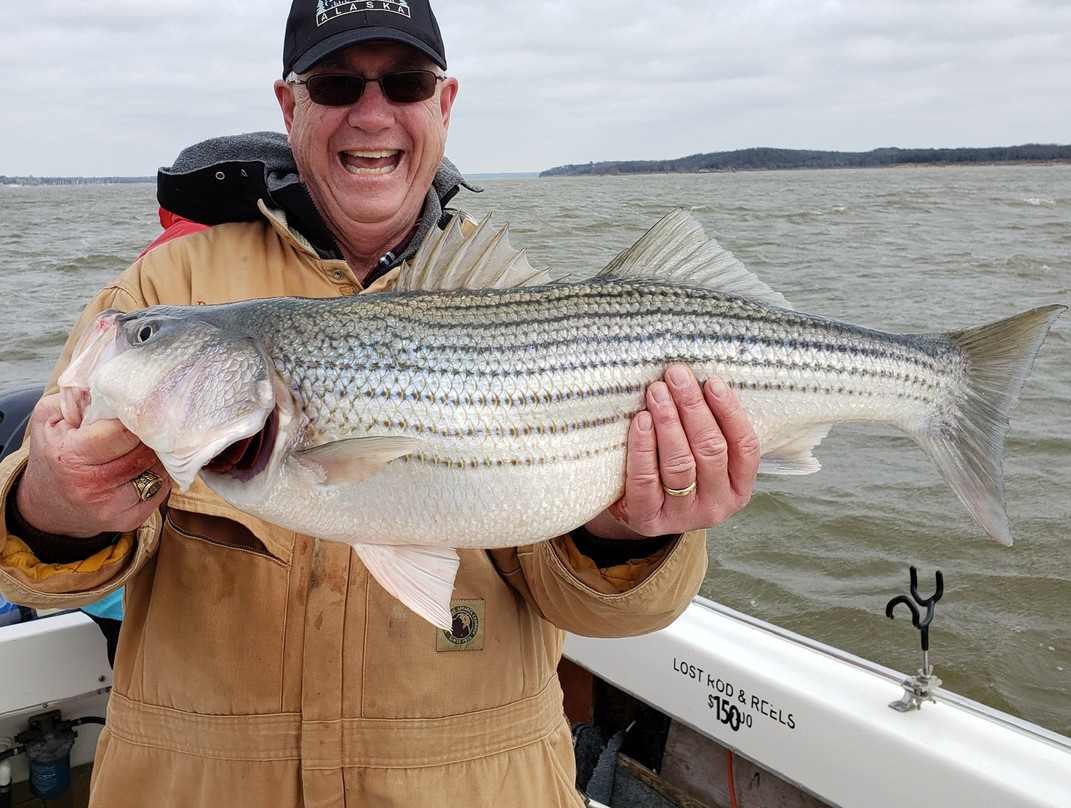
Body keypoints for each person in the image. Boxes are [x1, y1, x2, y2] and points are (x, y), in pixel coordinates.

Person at [0, 2, 761, 806]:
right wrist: (52, 503)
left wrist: (623, 534)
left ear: (445, 102)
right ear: (290, 105)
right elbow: (47, 574)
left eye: (404, 82)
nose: (371, 114)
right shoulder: (164, 287)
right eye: (334, 84)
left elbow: (598, 612)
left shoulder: (528, 308)